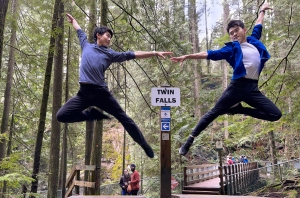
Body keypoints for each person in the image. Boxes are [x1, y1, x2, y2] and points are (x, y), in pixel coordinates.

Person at [170, 3, 282, 156]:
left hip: (252, 89)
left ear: (244, 30)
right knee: (214, 112)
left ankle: (240, 109)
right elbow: (210, 54)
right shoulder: (231, 48)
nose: (234, 34)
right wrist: (187, 56)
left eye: (236, 30)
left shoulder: (254, 41)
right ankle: (189, 141)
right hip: (237, 87)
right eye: (231, 33)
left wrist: (262, 10)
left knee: (276, 114)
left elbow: (258, 25)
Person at [57, 14, 173, 158]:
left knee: (124, 118)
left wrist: (154, 52)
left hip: (101, 94)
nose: (110, 39)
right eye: (107, 35)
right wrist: (74, 21)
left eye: (110, 37)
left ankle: (144, 144)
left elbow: (132, 54)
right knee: (61, 116)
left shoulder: (110, 54)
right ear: (98, 35)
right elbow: (79, 30)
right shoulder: (86, 45)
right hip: (84, 94)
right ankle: (91, 114)